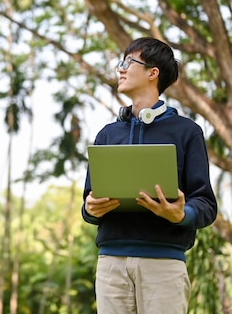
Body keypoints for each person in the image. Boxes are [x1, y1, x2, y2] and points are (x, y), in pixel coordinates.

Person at [82, 37, 218, 314]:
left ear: (152, 73)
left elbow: (205, 205)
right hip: (111, 266)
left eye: (128, 62)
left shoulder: (187, 132)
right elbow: (88, 204)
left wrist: (180, 214)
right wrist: (90, 208)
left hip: (163, 266)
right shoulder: (107, 135)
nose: (120, 69)